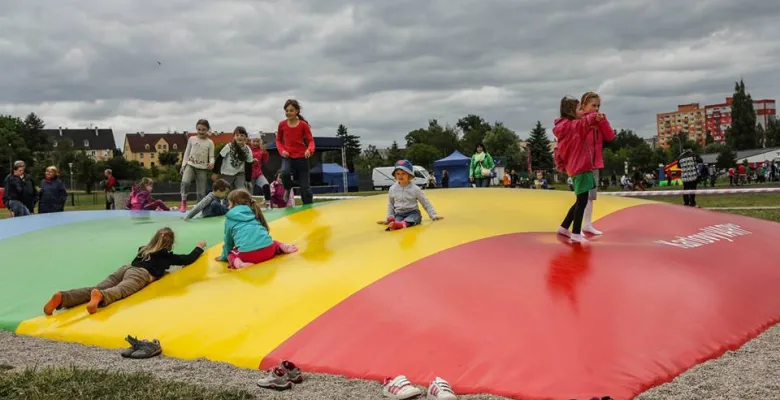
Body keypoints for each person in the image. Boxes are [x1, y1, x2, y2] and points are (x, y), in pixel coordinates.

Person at [43, 227, 206, 315]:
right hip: (140, 274)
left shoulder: (143, 249)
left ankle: (63, 297)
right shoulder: (166, 256)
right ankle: (101, 297)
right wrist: (199, 247)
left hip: (126, 268)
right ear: (170, 244)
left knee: (96, 286)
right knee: (120, 290)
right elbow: (187, 259)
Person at [553, 96, 612, 243]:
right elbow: (585, 122)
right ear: (571, 111)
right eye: (579, 109)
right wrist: (594, 116)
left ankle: (564, 226)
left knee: (581, 199)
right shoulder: (574, 126)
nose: (581, 112)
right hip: (580, 166)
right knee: (582, 201)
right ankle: (576, 232)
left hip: (577, 166)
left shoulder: (565, 127)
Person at [215, 189, 298, 269]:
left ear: (235, 204)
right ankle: (284, 247)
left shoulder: (230, 217)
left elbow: (228, 242)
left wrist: (224, 256)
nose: (229, 207)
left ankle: (240, 264)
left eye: (229, 204)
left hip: (249, 256)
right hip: (269, 251)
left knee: (231, 254)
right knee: (273, 242)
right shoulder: (253, 212)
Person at [579, 91, 615, 235]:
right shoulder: (579, 120)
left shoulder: (600, 119)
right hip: (582, 163)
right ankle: (577, 225)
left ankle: (587, 224)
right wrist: (590, 119)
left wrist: (602, 122)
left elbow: (610, 136)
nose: (596, 109)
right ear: (584, 105)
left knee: (591, 197)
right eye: (593, 105)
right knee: (581, 196)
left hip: (595, 163)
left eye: (598, 106)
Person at [378, 160, 443, 231]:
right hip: (399, 214)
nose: (400, 176)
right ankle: (394, 223)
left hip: (412, 212)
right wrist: (390, 216)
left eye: (403, 173)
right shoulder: (392, 189)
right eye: (398, 173)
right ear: (395, 175)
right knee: (396, 220)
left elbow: (425, 202)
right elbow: (391, 204)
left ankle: (402, 224)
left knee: (413, 218)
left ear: (409, 175)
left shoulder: (415, 189)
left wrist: (433, 215)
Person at [277, 99, 315, 205]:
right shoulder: (282, 125)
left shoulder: (303, 125)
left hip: (302, 158)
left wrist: (309, 150)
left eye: (291, 110)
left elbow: (311, 140)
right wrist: (282, 150)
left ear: (297, 111)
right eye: (286, 110)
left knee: (305, 188)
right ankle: (288, 188)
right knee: (284, 173)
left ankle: (308, 207)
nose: (288, 113)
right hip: (287, 156)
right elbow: (278, 140)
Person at [180, 119, 215, 211]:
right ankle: (183, 201)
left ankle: (198, 210)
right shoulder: (192, 139)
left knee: (201, 193)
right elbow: (186, 153)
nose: (201, 132)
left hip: (202, 169)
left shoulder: (210, 142)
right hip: (190, 165)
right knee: (185, 182)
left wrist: (212, 163)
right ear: (196, 129)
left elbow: (211, 156)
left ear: (207, 130)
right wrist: (183, 166)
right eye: (199, 129)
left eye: (204, 130)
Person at [214, 126, 252, 191]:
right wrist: (215, 172)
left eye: (242, 135)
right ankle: (223, 200)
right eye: (237, 135)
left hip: (239, 173)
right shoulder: (228, 146)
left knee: (241, 190)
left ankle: (241, 200)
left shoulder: (248, 150)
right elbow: (219, 159)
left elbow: (248, 165)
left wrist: (248, 180)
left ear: (246, 137)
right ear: (234, 137)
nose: (239, 137)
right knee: (225, 191)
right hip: (227, 173)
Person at [249, 132, 271, 209]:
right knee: (249, 193)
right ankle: (248, 206)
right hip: (249, 175)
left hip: (258, 174)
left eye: (257, 141)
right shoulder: (247, 149)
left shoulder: (261, 150)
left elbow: (265, 161)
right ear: (250, 141)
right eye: (254, 141)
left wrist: (264, 152)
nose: (255, 143)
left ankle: (268, 204)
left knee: (266, 185)